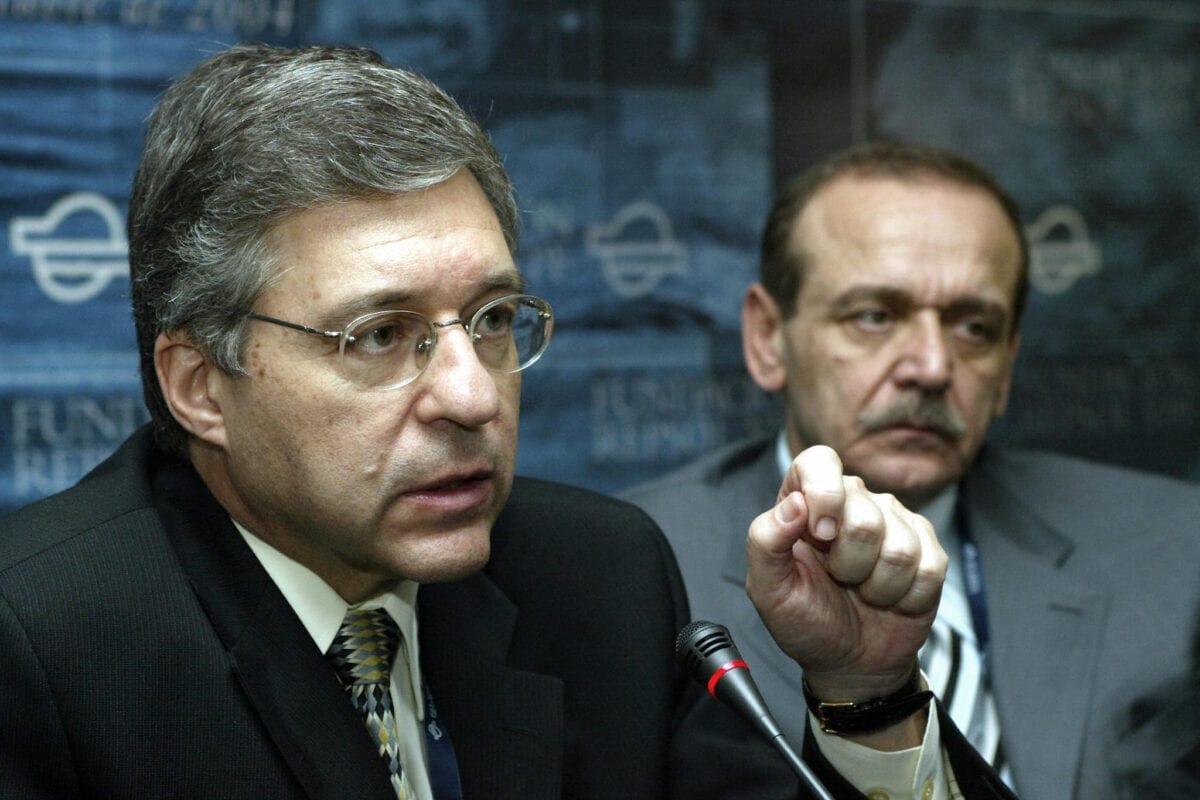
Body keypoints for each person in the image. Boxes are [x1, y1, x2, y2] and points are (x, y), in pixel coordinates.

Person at [0, 46, 1014, 800]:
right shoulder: (42, 642)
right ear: (199, 385)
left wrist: (868, 696)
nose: (473, 395)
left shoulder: (597, 576)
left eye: (491, 319)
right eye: (380, 335)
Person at [623, 140, 1200, 800]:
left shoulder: (1176, 551)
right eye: (875, 316)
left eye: (973, 327)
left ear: (1008, 363)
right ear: (767, 339)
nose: (932, 366)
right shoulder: (640, 570)